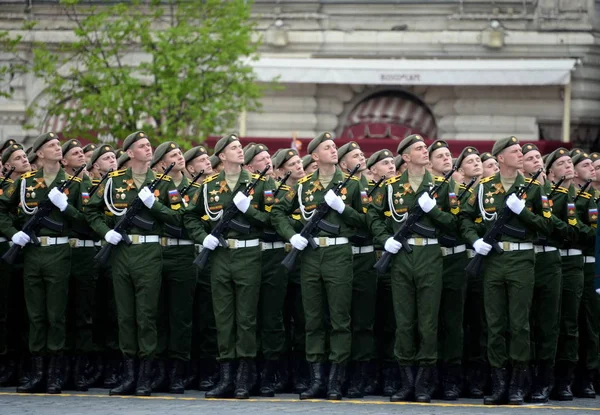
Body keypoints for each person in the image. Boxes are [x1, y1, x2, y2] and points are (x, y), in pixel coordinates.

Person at [84, 131, 181, 397]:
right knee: (125, 316)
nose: (149, 148)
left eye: (149, 145)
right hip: (121, 251)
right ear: (129, 152)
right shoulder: (114, 181)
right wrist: (106, 232)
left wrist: (155, 205)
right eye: (142, 145)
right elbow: (91, 210)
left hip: (149, 251)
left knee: (146, 315)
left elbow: (179, 217)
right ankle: (128, 375)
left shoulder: (161, 182)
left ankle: (145, 378)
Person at [271, 132, 365, 401]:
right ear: (314, 156)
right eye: (327, 147)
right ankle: (317, 380)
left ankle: (336, 381)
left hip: (338, 253)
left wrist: (343, 209)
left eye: (334, 146)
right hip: (311, 255)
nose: (334, 150)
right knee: (312, 320)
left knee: (339, 319)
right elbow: (277, 212)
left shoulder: (352, 185)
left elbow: (366, 221)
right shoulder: (303, 186)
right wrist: (293, 235)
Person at [459, 136, 552, 405]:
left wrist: (523, 212)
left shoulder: (533, 188)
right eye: (514, 151)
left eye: (520, 150)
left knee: (519, 324)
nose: (520, 154)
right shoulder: (484, 187)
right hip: (494, 261)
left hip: (522, 259)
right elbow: (465, 217)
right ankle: (499, 383)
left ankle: (517, 385)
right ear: (500, 157)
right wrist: (475, 241)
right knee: (495, 324)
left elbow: (546, 227)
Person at [184, 133, 275, 399]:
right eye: (233, 148)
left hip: (248, 255)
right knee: (223, 318)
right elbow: (190, 217)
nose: (239, 151)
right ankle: (226, 378)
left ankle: (243, 380)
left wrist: (249, 210)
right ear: (222, 156)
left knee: (245, 319)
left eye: (240, 147)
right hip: (221, 256)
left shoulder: (259, 183)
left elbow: (271, 220)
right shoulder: (209, 185)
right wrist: (204, 238)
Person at [368, 134, 457, 403]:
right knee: (404, 322)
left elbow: (453, 223)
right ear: (405, 157)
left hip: (430, 253)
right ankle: (406, 383)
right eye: (418, 148)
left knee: (427, 323)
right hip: (402, 256)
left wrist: (433, 212)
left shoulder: (442, 186)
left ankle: (423, 384)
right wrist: (386, 240)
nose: (424, 151)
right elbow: (372, 215)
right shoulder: (392, 186)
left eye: (425, 148)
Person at [0, 132, 83, 394]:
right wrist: (14, 233)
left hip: (59, 253)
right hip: (33, 254)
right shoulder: (25, 183)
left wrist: (66, 207)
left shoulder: (72, 182)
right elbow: (2, 209)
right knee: (36, 316)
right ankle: (37, 373)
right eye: (52, 145)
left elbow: (83, 221)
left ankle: (54, 376)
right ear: (39, 153)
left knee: (55, 315)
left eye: (59, 145)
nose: (58, 148)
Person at [149, 141, 196, 394]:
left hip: (183, 253)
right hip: (158, 251)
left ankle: (178, 372)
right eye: (172, 155)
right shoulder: (155, 186)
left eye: (180, 153)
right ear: (160, 163)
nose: (179, 157)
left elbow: (191, 220)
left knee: (180, 316)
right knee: (157, 315)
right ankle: (159, 370)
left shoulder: (195, 186)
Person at [519, 143, 563, 403]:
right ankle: (525, 376)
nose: (537, 161)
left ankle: (545, 380)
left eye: (539, 157)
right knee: (524, 321)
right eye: (530, 158)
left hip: (547, 259)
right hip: (524, 256)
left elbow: (553, 226)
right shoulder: (520, 190)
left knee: (547, 321)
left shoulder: (547, 190)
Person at [429, 140, 469, 401]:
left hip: (454, 260)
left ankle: (451, 378)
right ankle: (429, 376)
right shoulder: (419, 187)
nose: (447, 158)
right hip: (428, 258)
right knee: (428, 320)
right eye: (440, 156)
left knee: (453, 322)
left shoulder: (456, 188)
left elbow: (457, 223)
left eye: (449, 155)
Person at [336, 141, 377, 399]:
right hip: (340, 256)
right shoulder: (339, 188)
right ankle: (340, 373)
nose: (361, 157)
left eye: (362, 154)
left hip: (364, 258)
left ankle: (360, 377)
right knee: (340, 318)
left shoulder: (368, 188)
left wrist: (344, 210)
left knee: (363, 319)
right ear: (343, 164)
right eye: (355, 155)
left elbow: (368, 221)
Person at [60, 139, 97, 391]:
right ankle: (58, 368)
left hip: (83, 255)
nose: (81, 156)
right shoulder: (40, 183)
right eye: (75, 153)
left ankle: (79, 369)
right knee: (58, 313)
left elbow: (86, 220)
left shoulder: (84, 183)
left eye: (81, 153)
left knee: (83, 313)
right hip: (59, 253)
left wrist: (66, 209)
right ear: (64, 161)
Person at [272, 148, 308, 394]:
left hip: (302, 264)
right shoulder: (274, 194)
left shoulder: (308, 191)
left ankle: (302, 374)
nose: (299, 166)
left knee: (303, 320)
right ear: (281, 170)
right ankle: (280, 373)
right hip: (278, 261)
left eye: (299, 162)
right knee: (279, 320)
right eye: (293, 163)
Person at [183, 145, 217, 391]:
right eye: (201, 160)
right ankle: (189, 368)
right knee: (188, 317)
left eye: (208, 159)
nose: (207, 162)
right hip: (189, 258)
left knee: (208, 317)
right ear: (190, 167)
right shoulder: (187, 191)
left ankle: (207, 370)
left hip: (210, 261)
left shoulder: (216, 189)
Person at [367, 149, 398, 396]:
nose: (391, 166)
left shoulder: (400, 192)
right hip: (369, 261)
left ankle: (390, 374)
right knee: (369, 320)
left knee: (392, 322)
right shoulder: (366, 193)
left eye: (392, 162)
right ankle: (369, 373)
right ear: (372, 170)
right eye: (385, 163)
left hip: (393, 263)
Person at [0, 143, 30, 388]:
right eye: (18, 158)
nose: (25, 160)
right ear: (8, 166)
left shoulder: (31, 187)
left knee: (21, 311)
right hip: (7, 249)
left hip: (25, 252)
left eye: (24, 156)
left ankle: (21, 364)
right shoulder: (7, 189)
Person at [569, 149, 598, 398]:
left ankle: (588, 375)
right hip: (570, 261)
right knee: (572, 322)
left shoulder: (590, 198)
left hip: (589, 261)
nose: (592, 169)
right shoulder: (570, 196)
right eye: (586, 165)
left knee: (590, 323)